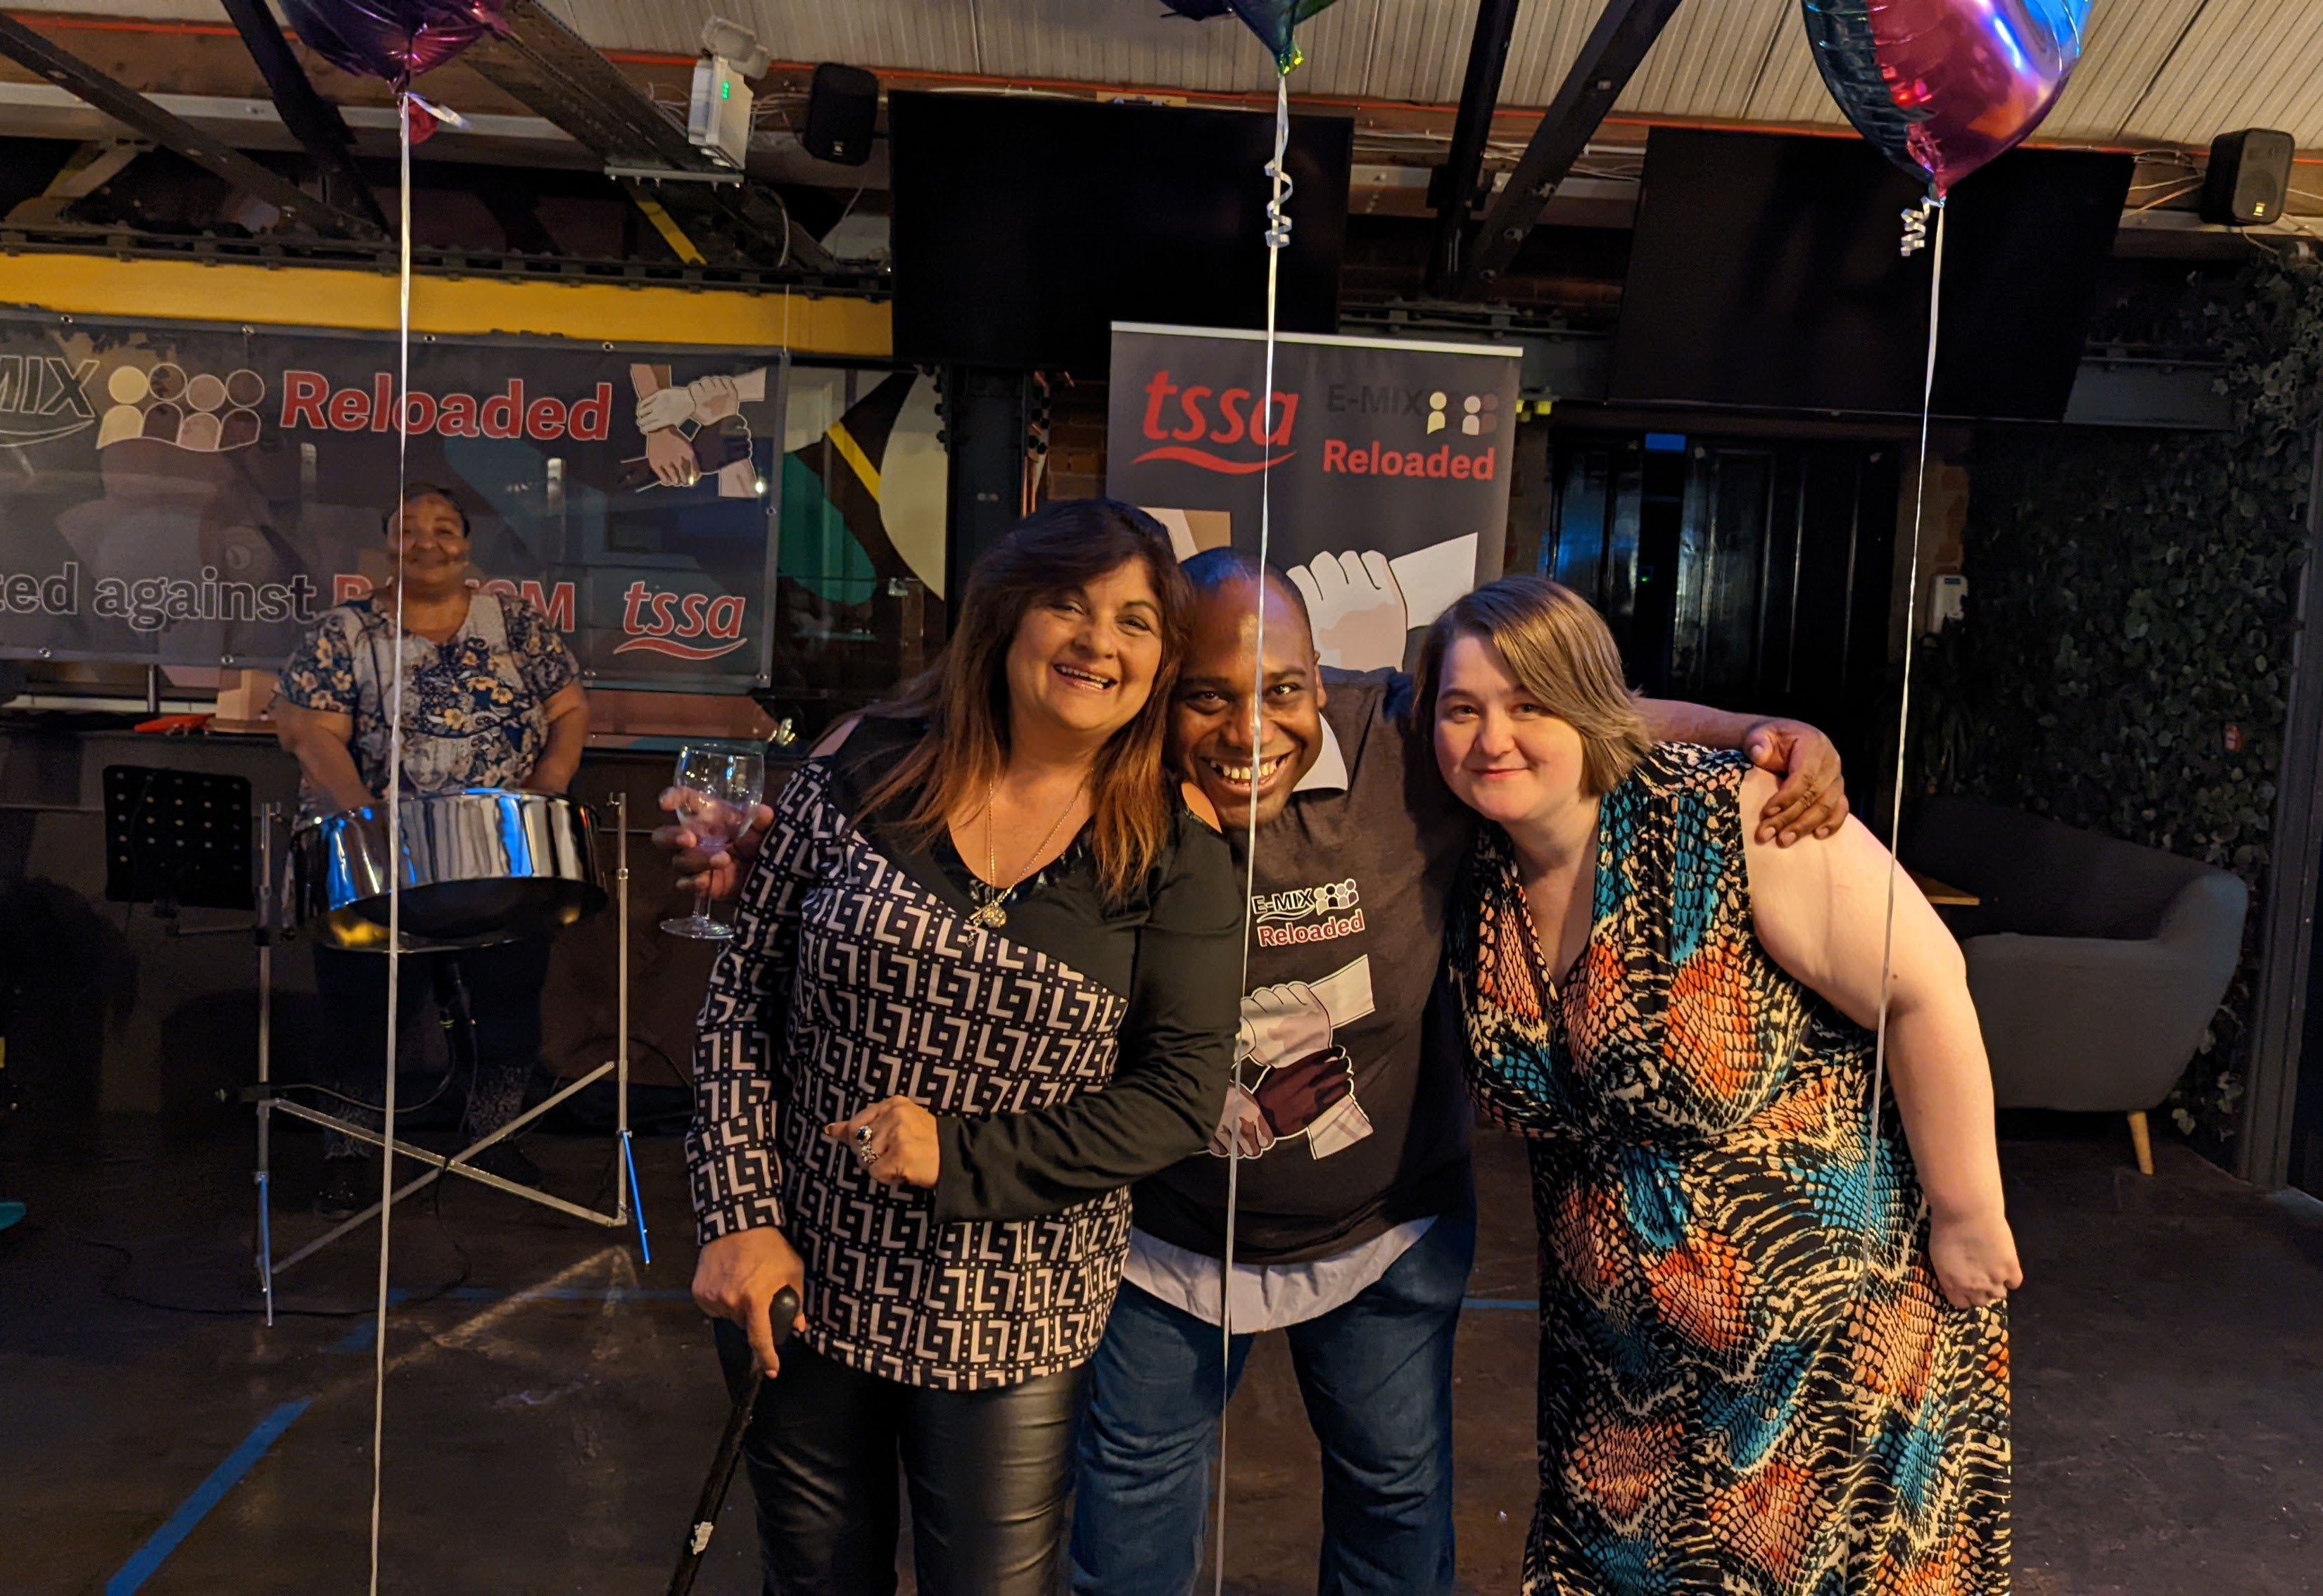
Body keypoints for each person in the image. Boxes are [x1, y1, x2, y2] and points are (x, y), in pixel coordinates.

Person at [670, 551, 1850, 1595]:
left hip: (1381, 1224)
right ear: (1154, 698)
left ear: (1318, 680)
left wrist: (1762, 730)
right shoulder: (1109, 797)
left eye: (1283, 689)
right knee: (1128, 1521)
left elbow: (1578, 713)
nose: (1251, 728)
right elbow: (950, 861)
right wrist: (776, 857)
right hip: (1161, 1235)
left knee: (1394, 1507)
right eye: (1208, 695)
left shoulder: (1403, 743)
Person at [684, 499, 1241, 1596]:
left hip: (1015, 1307)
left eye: (1136, 621)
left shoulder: (1175, 846)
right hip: (800, 1273)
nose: (1099, 642)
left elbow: (1181, 1096)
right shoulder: (865, 766)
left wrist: (963, 1154)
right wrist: (739, 1216)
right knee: (811, 1578)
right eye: (1068, 606)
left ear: (1163, 658)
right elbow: (742, 998)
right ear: (1005, 619)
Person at [1422, 574, 2020, 1595]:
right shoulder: (1476, 863)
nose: (1493, 738)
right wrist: (1749, 715)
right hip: (1619, 1375)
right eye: (1462, 708)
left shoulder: (1730, 817)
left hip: (1833, 1356)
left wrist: (1968, 1214)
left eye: (1530, 706)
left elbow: (1926, 989)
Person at [273, 482, 588, 1219]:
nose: (428, 540)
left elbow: (569, 709)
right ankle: (347, 1152)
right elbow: (309, 730)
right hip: (379, 849)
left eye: (445, 528)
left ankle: (494, 1137)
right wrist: (363, 815)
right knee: (361, 1011)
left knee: (509, 998)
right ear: (384, 546)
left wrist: (547, 786)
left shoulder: (516, 623)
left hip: (501, 851)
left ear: (469, 545)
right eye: (409, 528)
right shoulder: (343, 630)